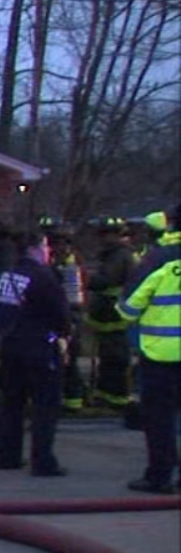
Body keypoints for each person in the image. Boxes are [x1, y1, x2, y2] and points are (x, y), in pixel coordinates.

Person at [0, 227, 73, 477]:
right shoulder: (44, 277)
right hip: (39, 347)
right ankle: (43, 461)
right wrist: (65, 334)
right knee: (44, 407)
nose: (48, 251)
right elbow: (60, 315)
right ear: (35, 249)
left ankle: (8, 456)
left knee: (12, 404)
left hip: (10, 345)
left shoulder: (8, 276)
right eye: (45, 247)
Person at [119, 203, 181, 494]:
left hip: (160, 355)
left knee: (159, 419)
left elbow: (128, 308)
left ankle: (160, 476)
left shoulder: (158, 259)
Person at [86, 216, 136, 409]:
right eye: (103, 234)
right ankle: (106, 395)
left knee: (115, 357)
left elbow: (105, 280)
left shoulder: (120, 255)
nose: (104, 238)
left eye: (108, 234)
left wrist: (88, 278)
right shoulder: (113, 254)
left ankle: (117, 399)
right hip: (107, 313)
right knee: (108, 356)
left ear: (118, 234)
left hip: (114, 314)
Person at [39, 216, 88, 411]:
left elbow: (72, 298)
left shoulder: (69, 263)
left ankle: (72, 401)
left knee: (68, 361)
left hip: (68, 316)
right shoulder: (56, 260)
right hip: (60, 315)